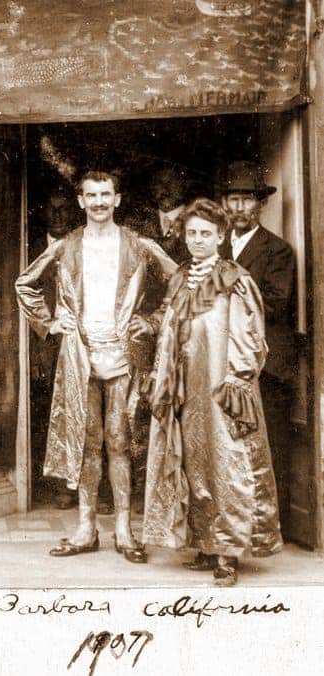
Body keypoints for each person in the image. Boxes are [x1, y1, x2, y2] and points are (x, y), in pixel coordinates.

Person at [15, 171, 176, 563]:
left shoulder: (138, 244)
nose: (99, 202)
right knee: (88, 443)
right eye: (92, 195)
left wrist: (153, 321)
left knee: (119, 442)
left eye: (106, 194)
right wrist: (51, 322)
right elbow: (25, 283)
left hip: (123, 357)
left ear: (118, 200)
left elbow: (181, 281)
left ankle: (124, 530)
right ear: (81, 201)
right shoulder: (67, 246)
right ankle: (86, 528)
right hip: (80, 357)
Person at [141, 198, 282, 587]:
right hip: (185, 389)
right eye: (191, 234)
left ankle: (227, 553)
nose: (198, 241)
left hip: (221, 388)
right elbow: (170, 330)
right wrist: (162, 376)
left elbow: (251, 336)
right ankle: (204, 543)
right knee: (193, 462)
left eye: (206, 234)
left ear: (221, 236)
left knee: (226, 464)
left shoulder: (235, 280)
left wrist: (237, 381)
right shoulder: (180, 277)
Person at [218, 161, 299, 535]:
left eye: (246, 200)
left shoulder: (277, 251)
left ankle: (269, 529)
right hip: (225, 364)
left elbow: (277, 303)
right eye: (232, 200)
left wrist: (226, 292)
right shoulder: (214, 247)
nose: (238, 208)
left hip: (266, 365)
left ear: (259, 205)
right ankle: (235, 527)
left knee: (268, 448)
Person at [28, 184, 80, 509]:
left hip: (76, 345)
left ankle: (75, 485)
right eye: (52, 208)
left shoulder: (81, 248)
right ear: (42, 212)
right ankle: (53, 482)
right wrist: (34, 349)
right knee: (46, 413)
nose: (58, 215)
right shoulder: (31, 250)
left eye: (64, 209)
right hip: (43, 347)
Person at [133, 165, 190, 264]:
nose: (165, 189)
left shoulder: (197, 220)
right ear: (152, 188)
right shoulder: (139, 223)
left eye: (172, 182)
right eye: (159, 183)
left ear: (184, 185)